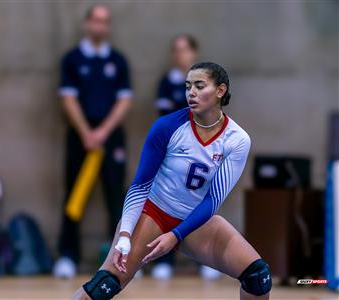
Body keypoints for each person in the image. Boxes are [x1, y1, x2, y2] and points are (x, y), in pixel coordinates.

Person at [72, 62, 272, 300]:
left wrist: (176, 235)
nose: (191, 93)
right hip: (154, 212)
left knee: (258, 276)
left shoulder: (237, 139)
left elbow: (214, 199)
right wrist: (125, 233)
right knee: (104, 285)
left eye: (199, 86)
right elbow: (139, 186)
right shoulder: (167, 126)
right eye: (188, 87)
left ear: (220, 91)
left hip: (195, 220)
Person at [54, 4, 132, 279]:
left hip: (111, 139)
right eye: (96, 21)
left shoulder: (118, 61)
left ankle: (121, 258)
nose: (100, 26)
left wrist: (103, 132)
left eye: (105, 22)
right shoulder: (73, 59)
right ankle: (67, 256)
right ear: (87, 24)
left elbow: (124, 100)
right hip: (81, 138)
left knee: (117, 197)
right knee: (74, 194)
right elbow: (68, 98)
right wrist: (87, 132)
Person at [151, 34, 199, 280]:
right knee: (167, 205)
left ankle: (206, 261)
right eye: (176, 50)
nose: (181, 55)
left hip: (200, 155)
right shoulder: (166, 83)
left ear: (194, 53)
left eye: (185, 50)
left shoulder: (204, 83)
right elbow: (165, 119)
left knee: (198, 205)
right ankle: (164, 259)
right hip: (173, 154)